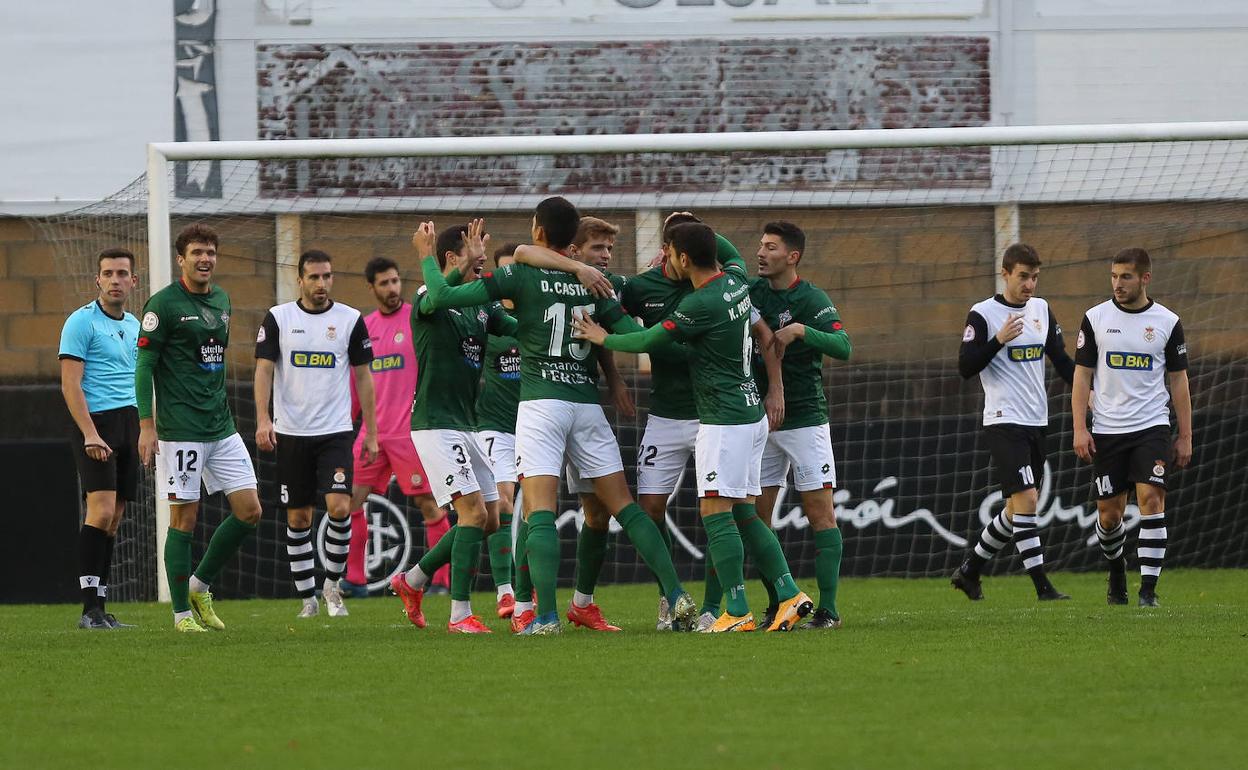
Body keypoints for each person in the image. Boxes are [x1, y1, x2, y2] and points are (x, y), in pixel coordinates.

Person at [419, 197, 698, 635]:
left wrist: (426, 256)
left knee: (540, 513)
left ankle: (545, 616)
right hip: (586, 406)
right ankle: (677, 593)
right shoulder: (597, 285)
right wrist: (683, 342)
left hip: (541, 406)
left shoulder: (520, 274)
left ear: (537, 229)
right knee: (624, 507)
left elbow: (440, 296)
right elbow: (640, 337)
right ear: (573, 241)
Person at [573, 222, 814, 633]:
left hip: (723, 419)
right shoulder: (735, 280)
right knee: (744, 513)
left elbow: (646, 341)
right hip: (749, 414)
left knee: (715, 513)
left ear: (681, 257)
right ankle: (790, 592)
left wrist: (602, 337)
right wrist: (690, 229)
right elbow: (727, 251)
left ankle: (735, 611)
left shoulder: (700, 303)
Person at [616, 211, 784, 631]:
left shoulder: (715, 287)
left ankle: (716, 607)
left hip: (714, 415)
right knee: (652, 509)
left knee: (719, 510)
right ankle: (672, 598)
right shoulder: (645, 286)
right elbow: (613, 309)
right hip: (667, 414)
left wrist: (776, 389)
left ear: (683, 253)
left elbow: (763, 333)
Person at [136, 223, 263, 632]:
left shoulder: (222, 300)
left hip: (221, 426)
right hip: (181, 430)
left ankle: (198, 585)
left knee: (250, 511)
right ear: (181, 259)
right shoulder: (163, 306)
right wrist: (147, 425)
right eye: (196, 252)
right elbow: (144, 366)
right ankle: (181, 616)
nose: (205, 259)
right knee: (184, 520)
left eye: (210, 252)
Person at [390, 220, 515, 633]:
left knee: (491, 518)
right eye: (473, 252)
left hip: (468, 425)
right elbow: (437, 295)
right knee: (472, 513)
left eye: (483, 252)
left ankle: (413, 580)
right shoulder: (428, 297)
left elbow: (517, 328)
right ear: (451, 257)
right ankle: (460, 614)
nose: (482, 258)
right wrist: (428, 257)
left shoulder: (482, 305)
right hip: (435, 424)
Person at [255, 249, 378, 618]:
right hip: (291, 433)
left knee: (340, 507)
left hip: (335, 432)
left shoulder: (350, 320)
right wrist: (263, 419)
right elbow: (264, 370)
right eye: (314, 277)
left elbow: (364, 377)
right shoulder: (279, 318)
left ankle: (332, 587)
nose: (321, 283)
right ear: (300, 280)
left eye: (327, 276)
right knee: (298, 519)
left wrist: (371, 431)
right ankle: (307, 598)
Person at [951, 243, 1074, 602]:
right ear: (1004, 274)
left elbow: (1061, 359)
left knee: (1014, 508)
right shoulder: (983, 314)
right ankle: (1043, 587)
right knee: (1028, 499)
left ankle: (970, 571)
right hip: (1004, 420)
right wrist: (998, 340)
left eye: (1034, 277)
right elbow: (965, 367)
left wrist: (1091, 391)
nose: (1029, 285)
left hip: (1037, 420)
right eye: (1023, 276)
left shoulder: (1041, 310)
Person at [1073, 247, 1191, 607]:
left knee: (1151, 499)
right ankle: (1116, 570)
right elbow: (1082, 377)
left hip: (1151, 426)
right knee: (1109, 515)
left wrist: (1185, 436)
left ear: (1145, 278)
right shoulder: (1095, 318)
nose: (1117, 283)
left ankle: (1148, 592)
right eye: (1113, 276)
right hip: (1108, 429)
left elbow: (1179, 381)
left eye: (1125, 276)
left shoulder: (1167, 322)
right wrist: (1080, 428)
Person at [751, 221, 853, 629]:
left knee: (820, 514)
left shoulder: (811, 298)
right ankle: (780, 603)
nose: (761, 253)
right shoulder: (751, 292)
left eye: (771, 247)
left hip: (806, 420)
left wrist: (801, 331)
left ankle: (828, 610)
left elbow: (844, 346)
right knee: (756, 517)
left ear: (792, 256)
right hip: (760, 422)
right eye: (761, 245)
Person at [341, 257, 450, 600]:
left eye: (394, 281)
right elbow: (356, 381)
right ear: (371, 288)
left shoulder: (416, 319)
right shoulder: (364, 326)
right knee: (350, 501)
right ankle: (355, 580)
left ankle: (441, 581)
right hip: (371, 433)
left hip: (409, 434)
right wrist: (349, 421)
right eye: (384, 283)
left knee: (429, 504)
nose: (392, 288)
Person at [60, 248, 141, 630]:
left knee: (116, 517)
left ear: (133, 281)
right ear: (97, 280)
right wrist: (90, 433)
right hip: (97, 424)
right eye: (107, 273)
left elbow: (140, 379)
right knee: (102, 511)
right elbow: (70, 384)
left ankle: (101, 607)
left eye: (121, 273)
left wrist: (147, 428)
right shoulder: (81, 322)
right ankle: (88, 609)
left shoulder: (136, 325)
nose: (114, 280)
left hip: (129, 422)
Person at [477, 244, 523, 621]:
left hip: (536, 428)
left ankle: (528, 586)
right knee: (502, 503)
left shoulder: (539, 317)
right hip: (495, 427)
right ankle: (505, 592)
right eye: (505, 271)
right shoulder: (487, 321)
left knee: (535, 510)